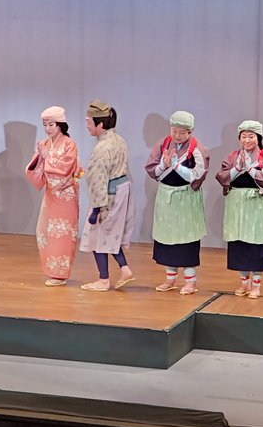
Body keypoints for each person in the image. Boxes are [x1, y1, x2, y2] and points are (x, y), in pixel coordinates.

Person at [145, 110, 209, 295]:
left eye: (182, 132)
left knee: (186, 240)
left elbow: (197, 175)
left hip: (186, 199)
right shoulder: (163, 144)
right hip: (166, 197)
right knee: (167, 239)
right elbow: (153, 169)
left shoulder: (197, 149)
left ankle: (190, 281)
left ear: (190, 131)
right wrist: (164, 165)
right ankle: (170, 278)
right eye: (174, 131)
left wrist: (176, 166)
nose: (178, 136)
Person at [216, 120, 263, 298]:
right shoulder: (232, 156)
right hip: (236, 204)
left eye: (251, 136)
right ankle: (244, 283)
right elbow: (221, 176)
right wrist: (237, 168)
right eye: (243, 136)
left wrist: (250, 169)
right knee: (239, 243)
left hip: (255, 204)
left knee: (256, 243)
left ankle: (256, 285)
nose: (247, 140)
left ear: (258, 138)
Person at [78, 101, 135, 291]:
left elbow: (98, 179)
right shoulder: (119, 140)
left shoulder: (102, 148)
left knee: (97, 234)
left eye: (89, 121)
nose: (86, 125)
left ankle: (104, 279)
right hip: (121, 189)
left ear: (100, 124)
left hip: (109, 193)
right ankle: (124, 268)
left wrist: (97, 208)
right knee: (109, 234)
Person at [25, 105, 81, 286]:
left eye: (51, 124)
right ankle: (52, 271)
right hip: (51, 195)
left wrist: (46, 156)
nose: (47, 128)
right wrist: (41, 157)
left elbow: (65, 169)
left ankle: (60, 274)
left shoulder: (69, 144)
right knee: (44, 232)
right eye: (45, 125)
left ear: (60, 124)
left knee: (62, 234)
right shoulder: (46, 144)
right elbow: (36, 167)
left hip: (65, 196)